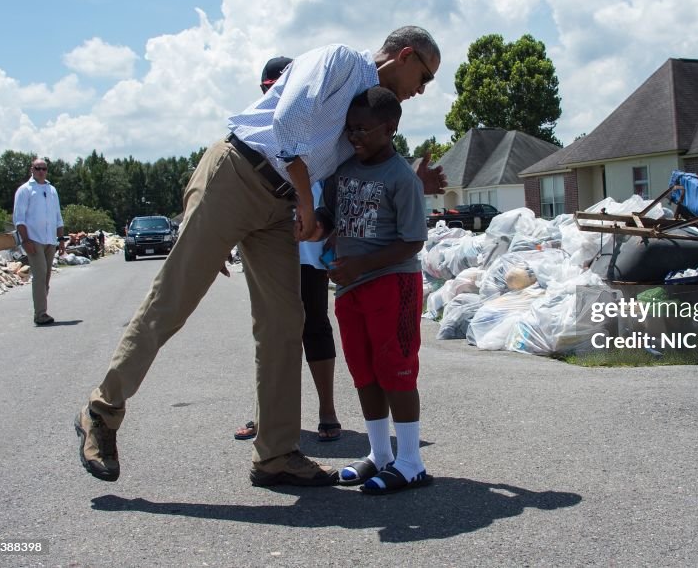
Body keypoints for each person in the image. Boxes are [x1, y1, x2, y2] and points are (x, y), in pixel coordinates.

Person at [74, 26, 444, 487]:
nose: (421, 91)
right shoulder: (341, 60)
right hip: (238, 173)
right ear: (405, 55)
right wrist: (307, 201)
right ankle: (103, 410)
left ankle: (276, 454)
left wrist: (333, 205)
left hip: (280, 204)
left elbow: (354, 167)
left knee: (285, 322)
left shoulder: (367, 106)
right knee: (174, 299)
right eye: (424, 76)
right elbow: (288, 122)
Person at [313, 87, 432, 494]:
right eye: (350, 130)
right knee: (364, 372)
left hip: (392, 283)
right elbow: (330, 213)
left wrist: (361, 264)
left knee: (396, 369)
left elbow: (413, 240)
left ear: (390, 128)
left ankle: (411, 461)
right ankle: (380, 455)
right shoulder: (342, 170)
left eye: (363, 129)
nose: (354, 137)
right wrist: (318, 227)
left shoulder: (401, 178)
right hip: (350, 290)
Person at [234, 56, 341, 443]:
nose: (274, 95)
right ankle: (267, 414)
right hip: (266, 246)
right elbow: (237, 192)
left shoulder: (321, 126)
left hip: (309, 249)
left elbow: (337, 182)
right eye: (268, 89)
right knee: (271, 331)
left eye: (279, 87)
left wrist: (334, 233)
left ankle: (327, 410)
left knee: (315, 324)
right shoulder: (256, 130)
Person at [13, 158, 66, 325]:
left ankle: (42, 309)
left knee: (47, 277)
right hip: (33, 239)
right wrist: (25, 240)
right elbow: (19, 219)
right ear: (32, 169)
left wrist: (61, 239)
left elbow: (58, 217)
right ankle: (40, 314)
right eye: (38, 168)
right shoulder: (25, 190)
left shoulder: (52, 190)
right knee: (40, 275)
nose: (41, 171)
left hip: (50, 239)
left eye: (44, 168)